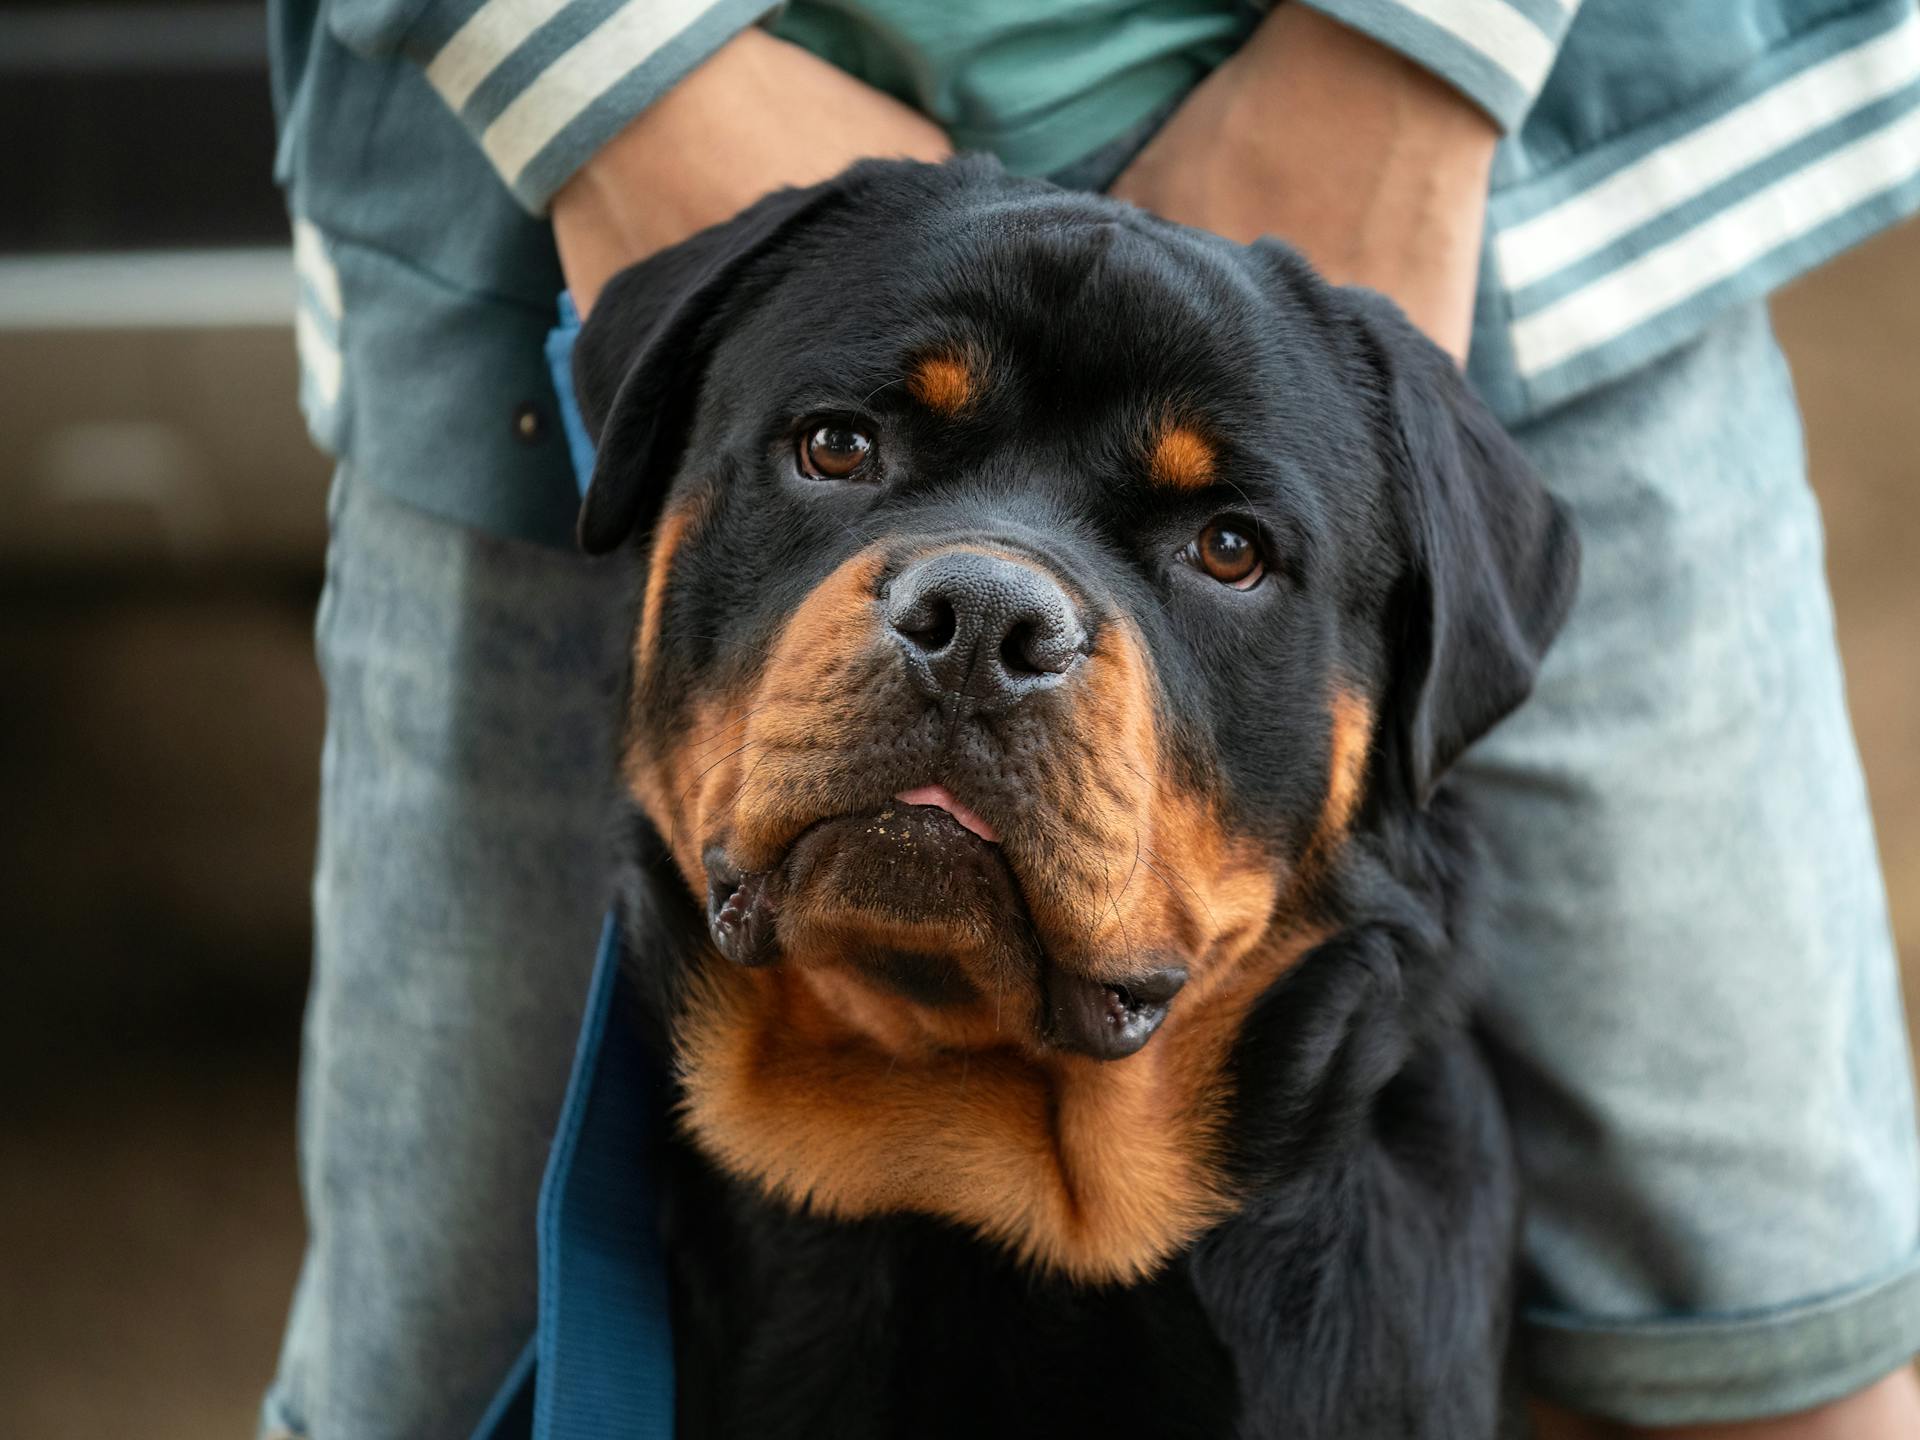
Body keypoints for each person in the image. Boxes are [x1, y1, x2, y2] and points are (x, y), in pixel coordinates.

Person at [262, 1, 1920, 1436]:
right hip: (588, 165)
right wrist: (597, 59)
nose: (990, 615)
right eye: (845, 455)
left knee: (1773, 1359)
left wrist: (1417, 54)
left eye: (1222, 546)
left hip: (1488, 197)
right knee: (423, 1383)